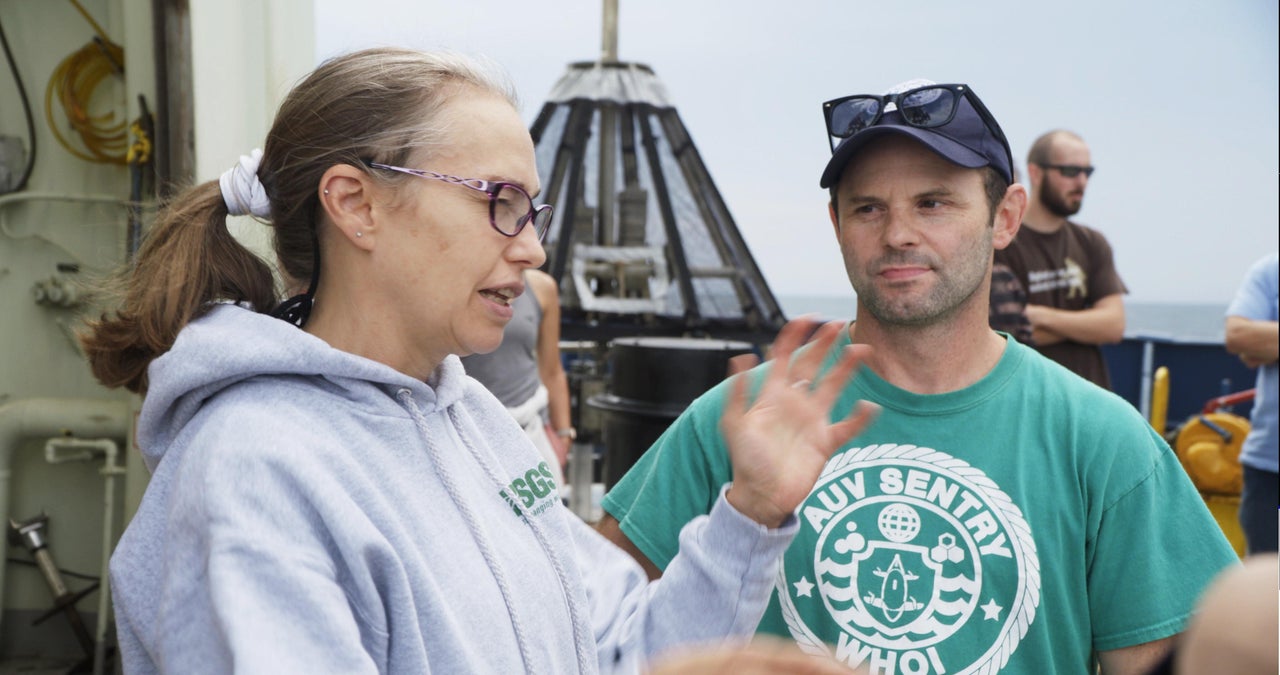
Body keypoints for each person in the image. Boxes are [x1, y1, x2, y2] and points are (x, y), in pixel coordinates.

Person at [77, 47, 878, 673]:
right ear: (356, 204)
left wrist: (753, 510)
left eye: (532, 210)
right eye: (498, 201)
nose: (530, 246)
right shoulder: (253, 473)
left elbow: (620, 649)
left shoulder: (482, 429)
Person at [597, 79, 1238, 674]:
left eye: (933, 203)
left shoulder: (1102, 441)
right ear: (837, 226)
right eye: (868, 208)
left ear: (1006, 216)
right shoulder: (739, 419)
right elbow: (589, 630)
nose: (898, 234)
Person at [992, 129, 1126, 389]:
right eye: (1069, 171)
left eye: (1087, 172)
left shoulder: (1092, 242)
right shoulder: (1001, 243)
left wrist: (1040, 315)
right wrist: (1085, 326)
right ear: (1035, 173)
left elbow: (1112, 326)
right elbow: (1003, 336)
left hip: (1089, 399)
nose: (1081, 182)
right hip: (1028, 397)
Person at [461, 267, 573, 485]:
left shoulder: (542, 287)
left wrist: (564, 434)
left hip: (530, 428)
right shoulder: (460, 284)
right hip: (470, 432)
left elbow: (552, 369)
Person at [1223, 252, 1278, 554]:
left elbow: (1254, 342)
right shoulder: (1271, 271)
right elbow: (1239, 336)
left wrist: (1268, 340)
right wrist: (1254, 342)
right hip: (1269, 468)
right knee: (1267, 590)